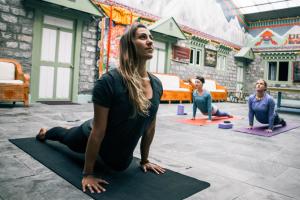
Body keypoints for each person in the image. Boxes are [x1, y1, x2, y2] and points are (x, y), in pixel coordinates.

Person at [36, 23, 165, 194]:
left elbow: (150, 127)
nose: (150, 42)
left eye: (150, 38)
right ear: (129, 44)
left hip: (115, 152)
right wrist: (88, 173)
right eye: (142, 37)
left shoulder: (156, 84)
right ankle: (45, 133)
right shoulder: (109, 81)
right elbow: (98, 131)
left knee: (120, 165)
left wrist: (144, 160)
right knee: (66, 136)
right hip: (91, 132)